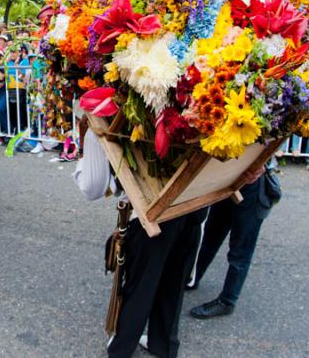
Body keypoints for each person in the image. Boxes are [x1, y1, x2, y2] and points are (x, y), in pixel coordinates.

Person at [73, 116, 217, 358]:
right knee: (173, 282)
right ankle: (163, 345)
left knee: (140, 287)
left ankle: (121, 350)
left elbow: (93, 187)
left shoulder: (102, 112)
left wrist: (81, 164)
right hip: (193, 204)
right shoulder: (201, 110)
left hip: (152, 211)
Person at [186, 168, 280, 319]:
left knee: (240, 251)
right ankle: (193, 278)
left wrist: (262, 163)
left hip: (253, 187)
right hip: (229, 181)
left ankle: (227, 301)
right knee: (210, 238)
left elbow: (274, 145)